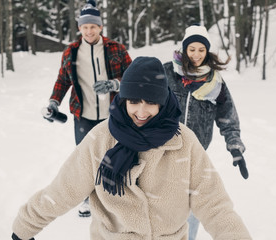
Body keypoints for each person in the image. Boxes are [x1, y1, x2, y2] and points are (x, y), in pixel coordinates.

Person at [12, 56, 251, 240]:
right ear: (124, 99)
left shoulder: (184, 142)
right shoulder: (101, 139)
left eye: (151, 103)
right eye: (134, 102)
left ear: (163, 102)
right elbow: (63, 190)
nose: (141, 112)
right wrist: (25, 226)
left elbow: (214, 205)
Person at [43, 0, 132, 217]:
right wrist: (54, 101)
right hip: (83, 115)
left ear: (100, 27)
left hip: (113, 115)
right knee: (86, 158)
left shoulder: (116, 49)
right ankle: (87, 197)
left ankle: (113, 197)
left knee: (115, 155)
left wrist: (115, 84)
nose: (89, 30)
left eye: (93, 26)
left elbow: (133, 77)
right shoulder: (71, 52)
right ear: (79, 28)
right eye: (85, 26)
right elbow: (63, 80)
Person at [163, 25, 249, 240]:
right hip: (163, 148)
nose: (196, 55)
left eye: (201, 50)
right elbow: (140, 94)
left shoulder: (215, 83)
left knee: (194, 203)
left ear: (207, 52)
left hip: (195, 154)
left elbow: (227, 117)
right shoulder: (167, 73)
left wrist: (235, 145)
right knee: (163, 201)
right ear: (185, 49)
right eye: (192, 49)